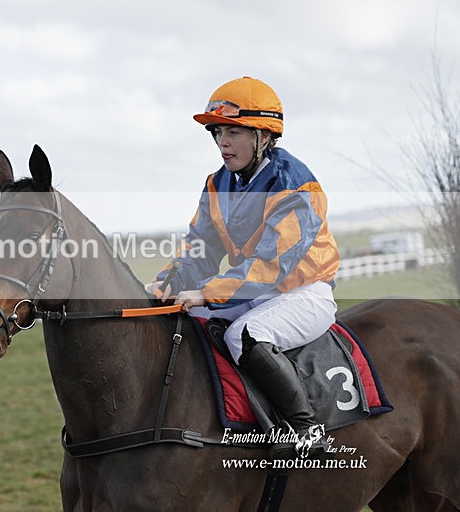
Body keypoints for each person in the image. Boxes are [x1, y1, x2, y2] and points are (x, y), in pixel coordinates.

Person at [146, 76, 340, 460]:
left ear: (263, 136)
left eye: (234, 132)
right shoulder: (218, 184)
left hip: (304, 292)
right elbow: (199, 248)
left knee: (244, 336)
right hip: (254, 292)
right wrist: (167, 283)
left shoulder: (296, 184)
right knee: (181, 316)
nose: (223, 143)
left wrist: (205, 291)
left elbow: (271, 266)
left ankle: (306, 430)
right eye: (218, 132)